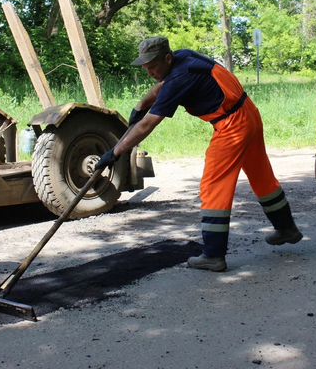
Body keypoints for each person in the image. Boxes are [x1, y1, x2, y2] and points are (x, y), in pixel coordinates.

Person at [95, 36, 303, 272]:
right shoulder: (183, 57)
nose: (150, 72)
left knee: (213, 185)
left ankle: (213, 255)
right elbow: (160, 87)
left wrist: (116, 151)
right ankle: (287, 229)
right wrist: (140, 106)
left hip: (232, 125)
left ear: (167, 58)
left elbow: (148, 125)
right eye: (145, 68)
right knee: (261, 176)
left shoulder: (179, 78)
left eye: (153, 67)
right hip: (248, 113)